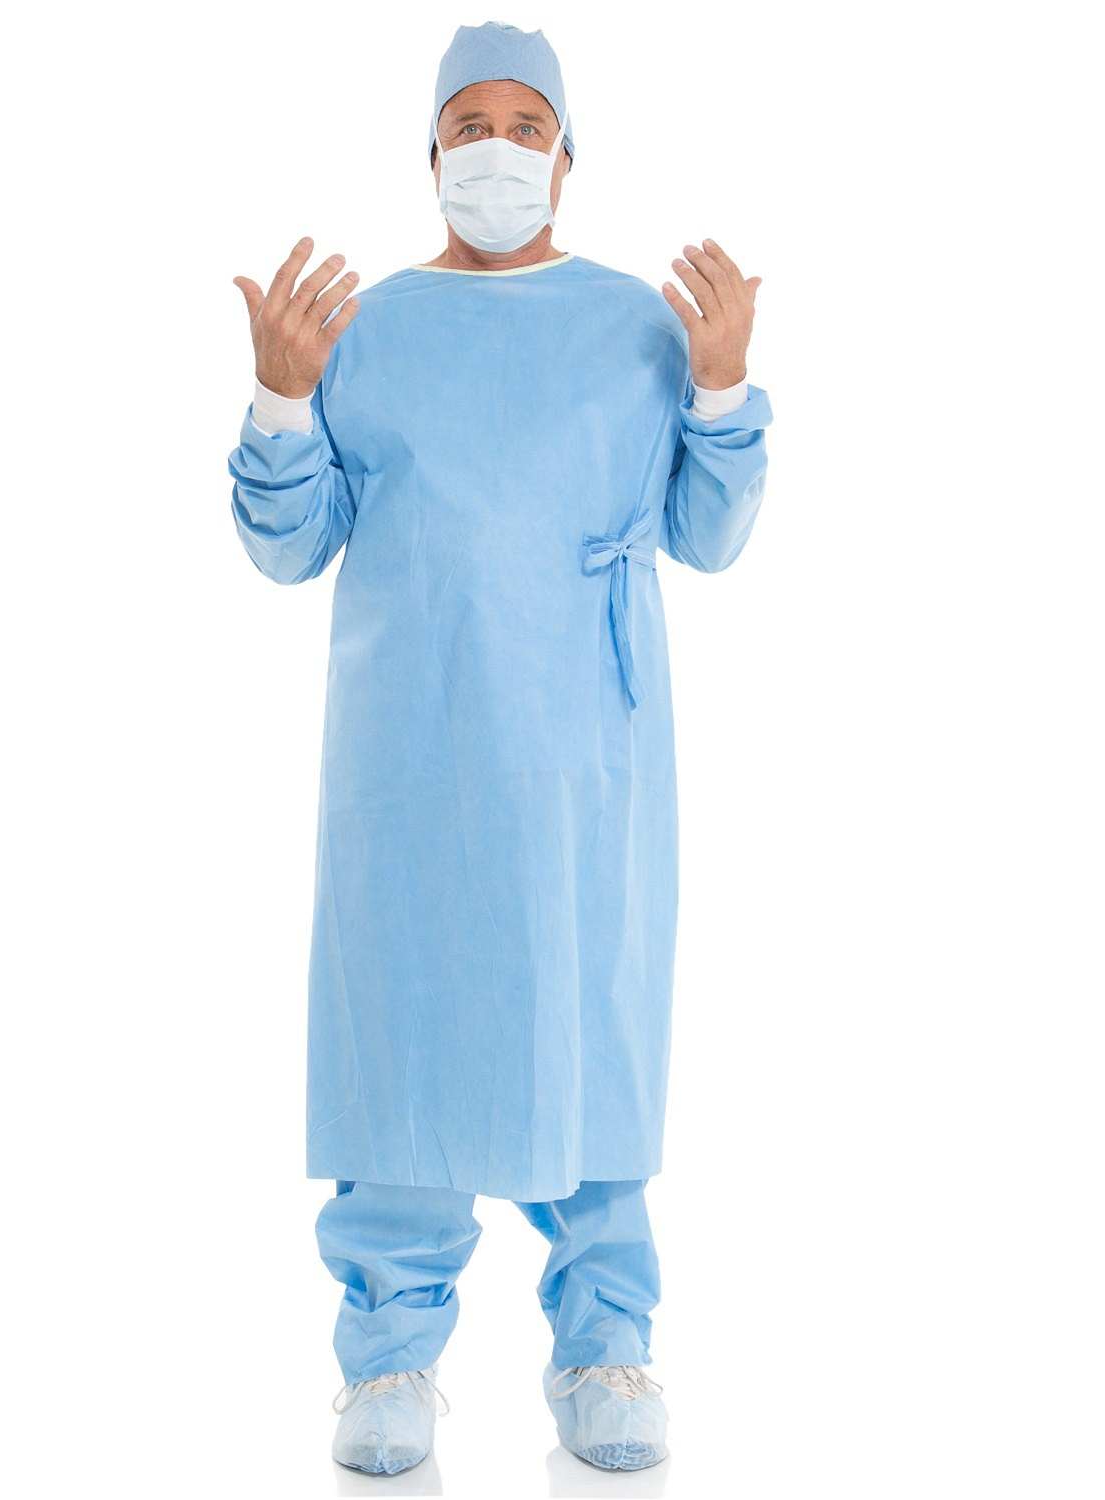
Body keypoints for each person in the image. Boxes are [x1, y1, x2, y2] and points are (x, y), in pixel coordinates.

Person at [227, 20, 771, 1476]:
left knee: (590, 1035)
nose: (499, 151)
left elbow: (710, 533)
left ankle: (605, 1345)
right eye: (471, 125)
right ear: (430, 155)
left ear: (569, 159)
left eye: (528, 127)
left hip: (588, 759)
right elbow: (288, 547)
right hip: (412, 757)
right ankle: (388, 1360)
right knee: (408, 1033)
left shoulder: (637, 326)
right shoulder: (367, 330)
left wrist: (722, 383)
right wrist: (283, 395)